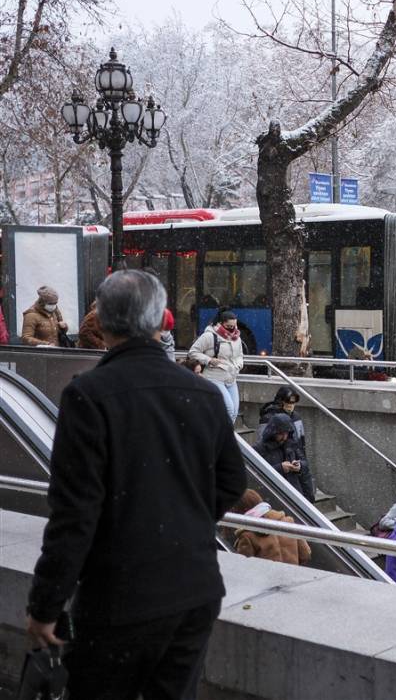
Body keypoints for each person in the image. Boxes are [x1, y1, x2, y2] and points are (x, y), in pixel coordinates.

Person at [25, 269, 246, 699]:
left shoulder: (88, 395)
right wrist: (184, 522)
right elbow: (232, 480)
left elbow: (74, 515)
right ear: (161, 320)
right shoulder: (201, 393)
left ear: (102, 324)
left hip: (118, 599)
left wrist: (45, 606)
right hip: (194, 591)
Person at [258, 387, 315, 502]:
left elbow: (301, 442)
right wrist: (280, 467)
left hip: (294, 458)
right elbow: (263, 442)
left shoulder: (296, 417)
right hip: (276, 463)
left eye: (293, 402)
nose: (291, 405)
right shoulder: (268, 419)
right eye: (288, 401)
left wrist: (301, 465)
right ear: (281, 401)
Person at [231, 489, 311, 566]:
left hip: (267, 579)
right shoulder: (288, 522)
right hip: (292, 576)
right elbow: (305, 554)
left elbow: (243, 566)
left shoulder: (248, 535)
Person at [189, 309, 244, 422]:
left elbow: (239, 355)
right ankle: (223, 436)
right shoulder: (209, 336)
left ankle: (225, 435)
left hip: (231, 377)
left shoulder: (236, 337)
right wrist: (209, 360)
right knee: (228, 409)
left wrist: (238, 365)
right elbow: (193, 352)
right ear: (221, 323)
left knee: (234, 412)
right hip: (214, 377)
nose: (232, 329)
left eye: (234, 326)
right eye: (229, 326)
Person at [253, 413, 305, 495]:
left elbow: (304, 464)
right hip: (275, 494)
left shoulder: (291, 444)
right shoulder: (259, 449)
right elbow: (256, 475)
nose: (284, 437)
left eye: (286, 433)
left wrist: (299, 466)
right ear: (273, 432)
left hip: (294, 493)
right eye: (281, 434)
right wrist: (280, 468)